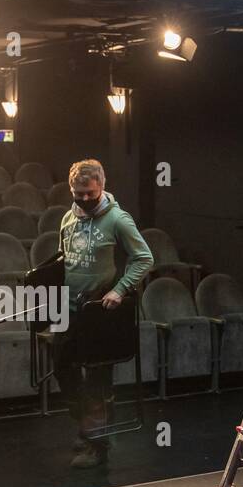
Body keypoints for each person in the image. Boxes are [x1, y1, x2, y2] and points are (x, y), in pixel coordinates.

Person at [52, 159, 153, 468]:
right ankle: (88, 426)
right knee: (62, 369)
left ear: (102, 187)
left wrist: (119, 289)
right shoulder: (68, 218)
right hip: (68, 310)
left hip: (99, 313)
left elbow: (144, 258)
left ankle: (97, 446)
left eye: (90, 194)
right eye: (78, 193)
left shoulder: (118, 220)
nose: (84, 199)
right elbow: (63, 259)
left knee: (97, 381)